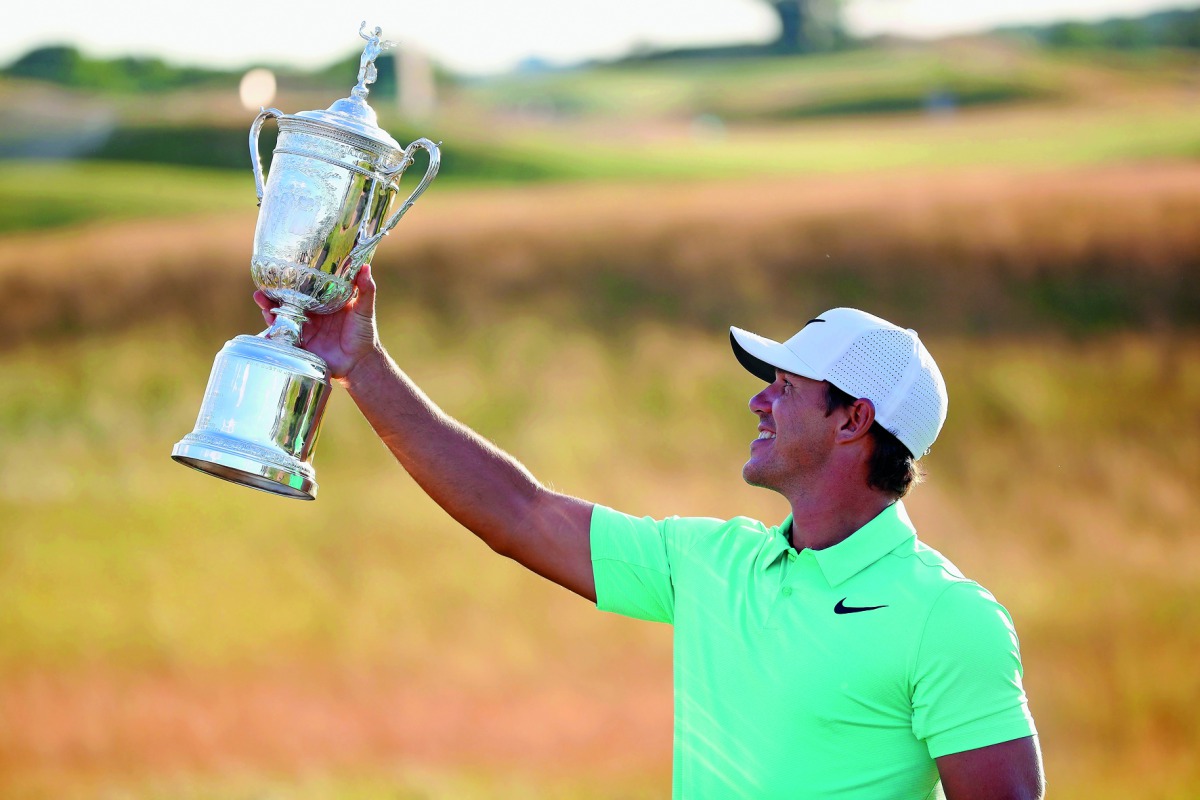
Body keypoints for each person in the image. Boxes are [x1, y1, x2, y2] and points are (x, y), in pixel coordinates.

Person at [254, 266, 1044, 799]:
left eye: (786, 387)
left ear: (854, 420)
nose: (760, 404)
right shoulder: (714, 562)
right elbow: (521, 513)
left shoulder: (949, 618)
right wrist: (362, 365)